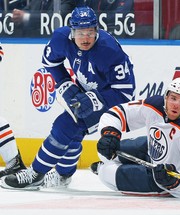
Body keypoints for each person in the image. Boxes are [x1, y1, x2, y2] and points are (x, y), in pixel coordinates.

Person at [1, 6, 135, 190]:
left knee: (65, 125)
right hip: (85, 90)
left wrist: (95, 100)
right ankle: (63, 176)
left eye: (90, 32)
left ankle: (35, 174)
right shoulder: (61, 38)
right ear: (72, 32)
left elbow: (125, 93)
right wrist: (65, 83)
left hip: (111, 99)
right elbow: (50, 62)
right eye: (80, 33)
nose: (85, 38)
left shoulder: (110, 51)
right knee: (73, 134)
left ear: (97, 30)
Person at [92, 78, 180, 198]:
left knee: (105, 173)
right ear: (166, 96)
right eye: (173, 98)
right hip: (149, 148)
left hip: (161, 178)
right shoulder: (153, 106)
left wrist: (174, 182)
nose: (176, 105)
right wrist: (109, 133)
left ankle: (102, 169)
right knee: (105, 151)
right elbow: (118, 113)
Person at [11, 0, 76, 37]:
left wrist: (26, 16)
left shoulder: (65, 1)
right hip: (31, 39)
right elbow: (26, 10)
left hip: (51, 40)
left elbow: (56, 17)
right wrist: (18, 15)